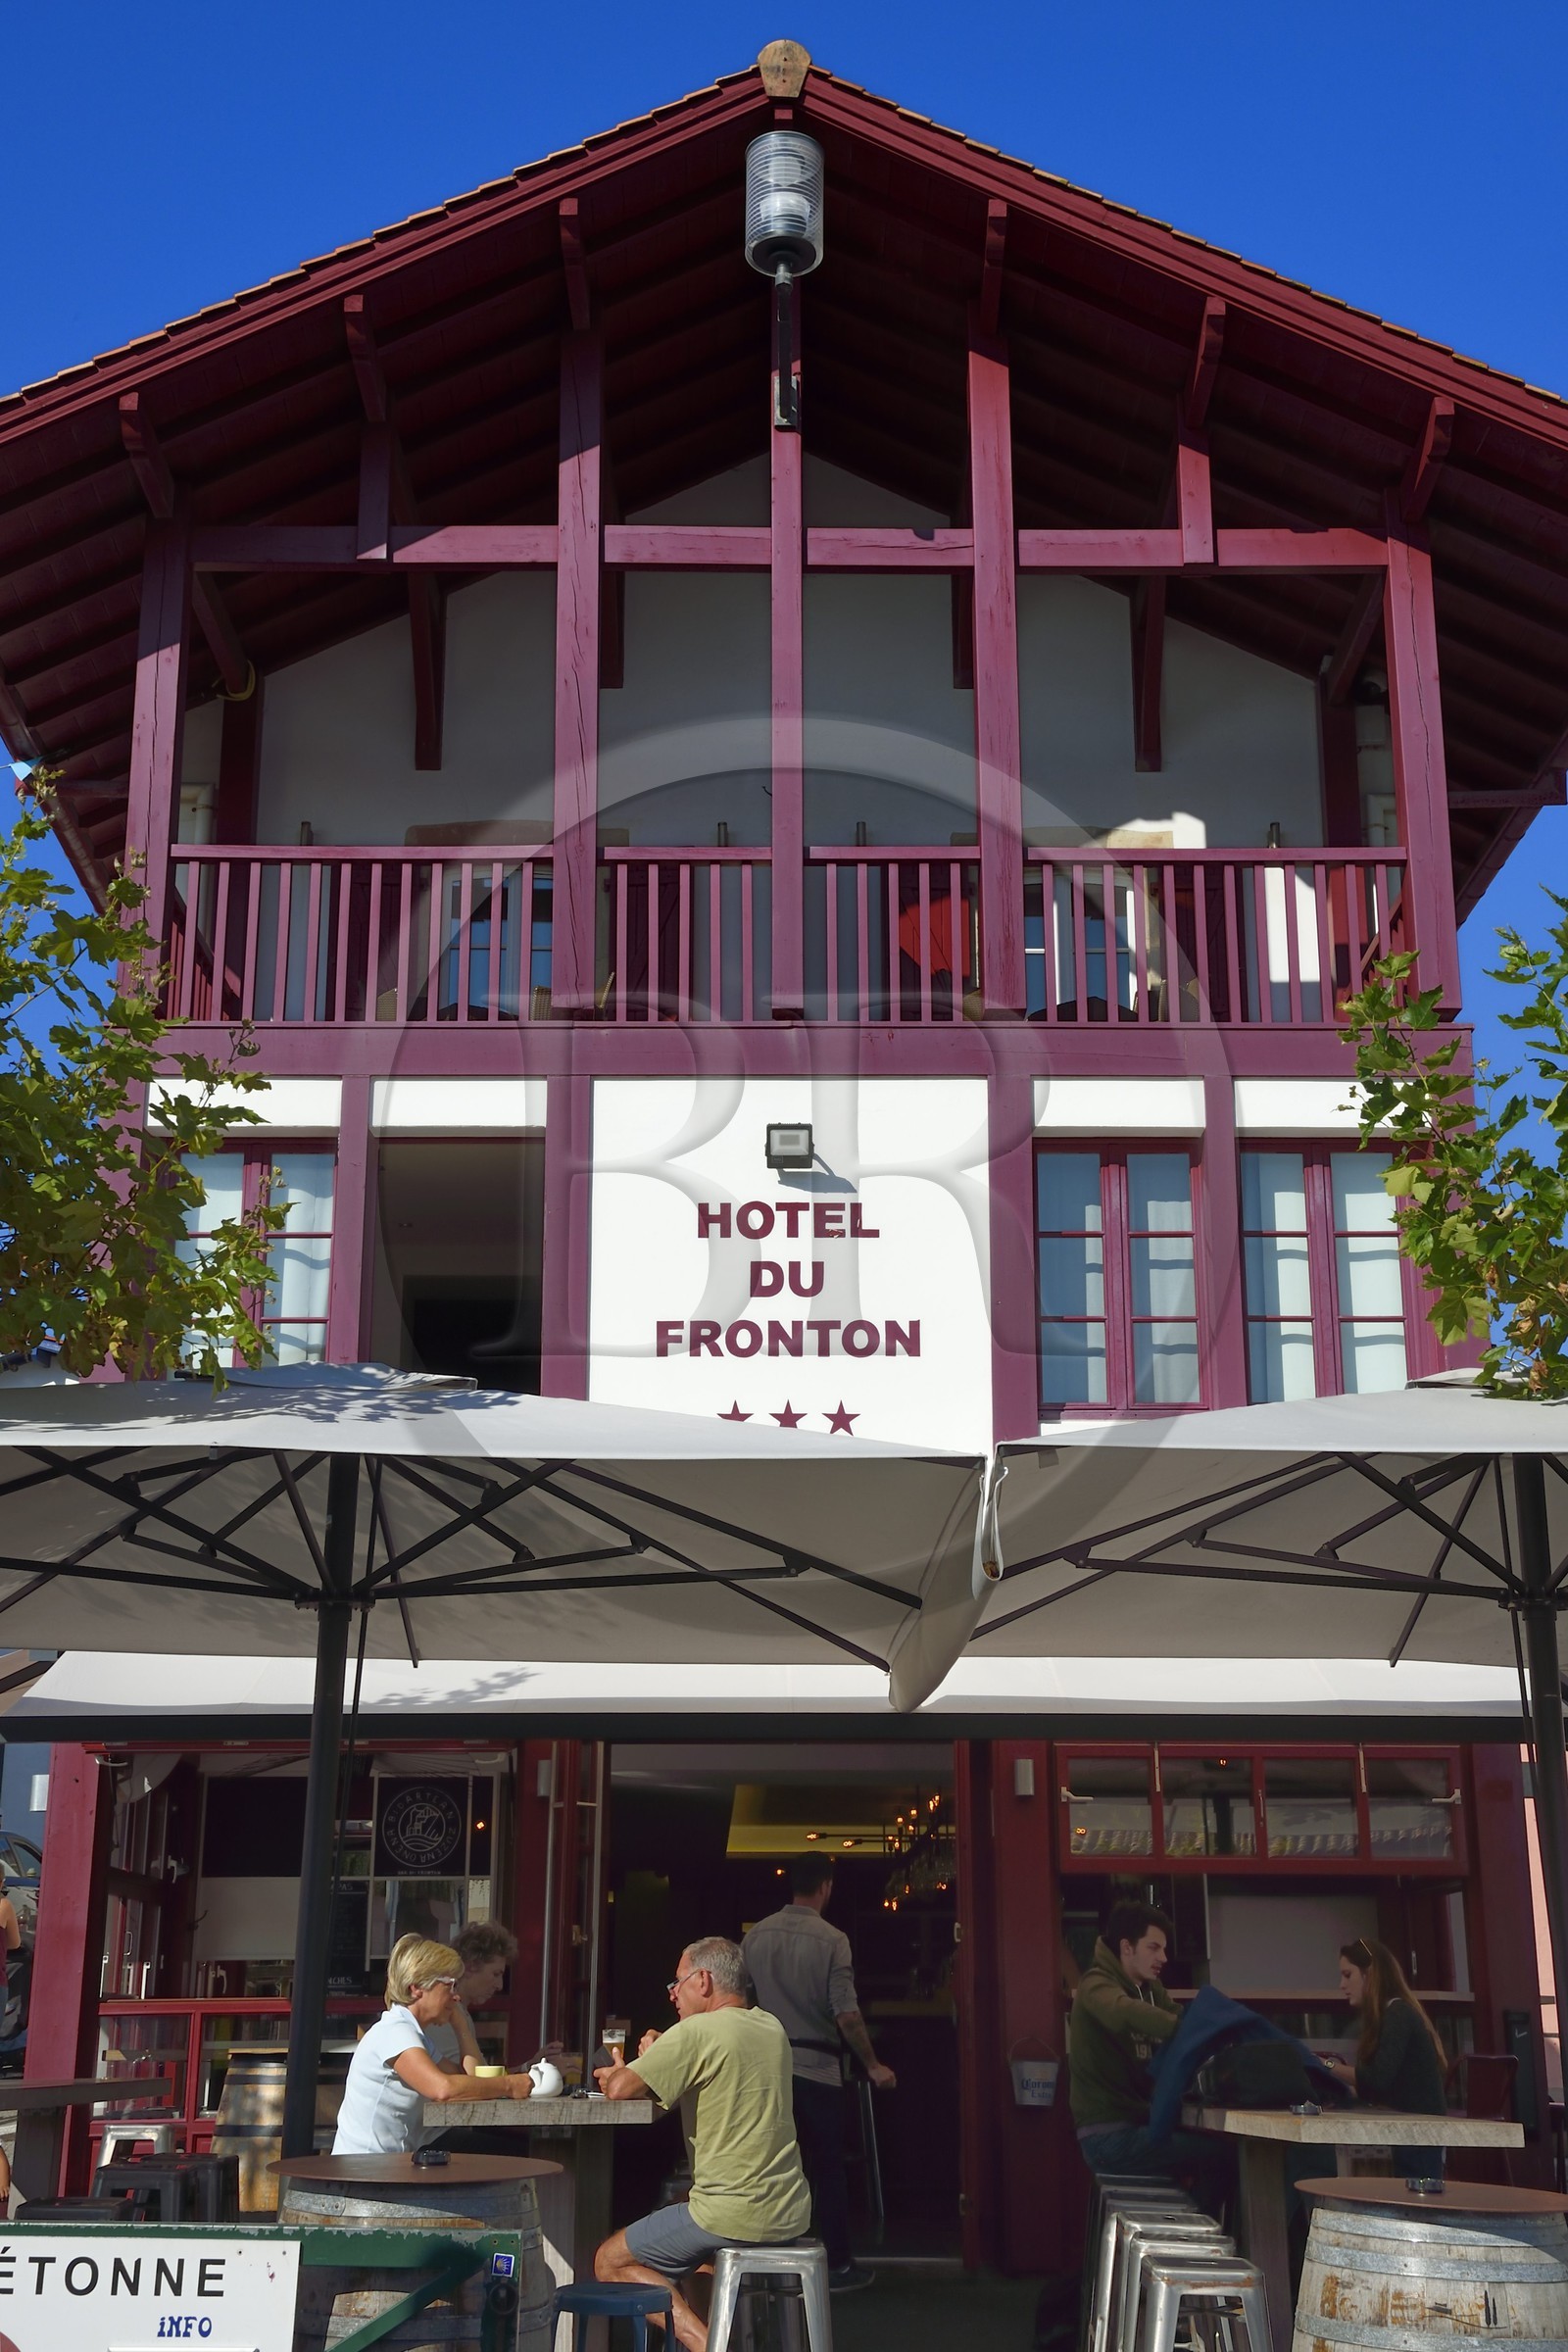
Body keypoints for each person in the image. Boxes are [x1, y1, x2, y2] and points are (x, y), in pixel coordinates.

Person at [593, 1936, 811, 2352]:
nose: (673, 1993)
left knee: (610, 2260)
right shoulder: (771, 2026)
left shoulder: (694, 2031)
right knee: (696, 2253)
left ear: (704, 1981)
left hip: (727, 2212)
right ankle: (727, 2335)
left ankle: (709, 2345)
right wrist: (663, 2053)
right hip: (789, 2209)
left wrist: (626, 2066)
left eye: (678, 1982)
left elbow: (620, 2088)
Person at [743, 1857, 895, 2294]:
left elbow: (739, 2004)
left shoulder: (755, 1937)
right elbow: (845, 2014)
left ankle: (766, 2260)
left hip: (766, 2070)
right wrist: (873, 2065)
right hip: (819, 2069)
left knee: (769, 2166)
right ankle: (838, 2265)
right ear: (826, 1887)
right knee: (827, 2169)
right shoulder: (833, 1940)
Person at [1068, 1901, 1223, 2209]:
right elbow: (1122, 2012)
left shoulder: (1152, 1989)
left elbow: (1181, 2018)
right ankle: (1189, 2235)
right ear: (1127, 1947)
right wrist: (1184, 2031)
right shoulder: (1095, 1984)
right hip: (1108, 2135)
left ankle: (1181, 2230)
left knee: (1211, 2151)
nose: (1163, 1958)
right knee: (1220, 2156)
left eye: (1163, 1949)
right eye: (1154, 1948)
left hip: (1138, 2126)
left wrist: (1214, 2036)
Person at [332, 1936, 536, 2155]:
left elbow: (471, 2079)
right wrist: (508, 2086)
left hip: (388, 2167)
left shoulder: (417, 2036)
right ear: (417, 1988)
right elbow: (443, 2090)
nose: (456, 1996)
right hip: (365, 2172)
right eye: (450, 1985)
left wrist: (461, 2027)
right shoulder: (395, 2032)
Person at [1320, 1936, 1447, 2178]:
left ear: (1370, 1974)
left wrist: (1327, 2067)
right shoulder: (1390, 2015)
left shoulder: (1397, 2014)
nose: (1341, 1985)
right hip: (1411, 2127)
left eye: (1348, 1975)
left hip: (1419, 2131)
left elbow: (1377, 2078)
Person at [420, 1920, 520, 2075]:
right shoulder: (443, 2014)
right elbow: (466, 2078)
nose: (499, 1985)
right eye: (495, 1974)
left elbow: (483, 2075)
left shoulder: (460, 2013)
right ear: (470, 1966)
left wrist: (531, 2068)